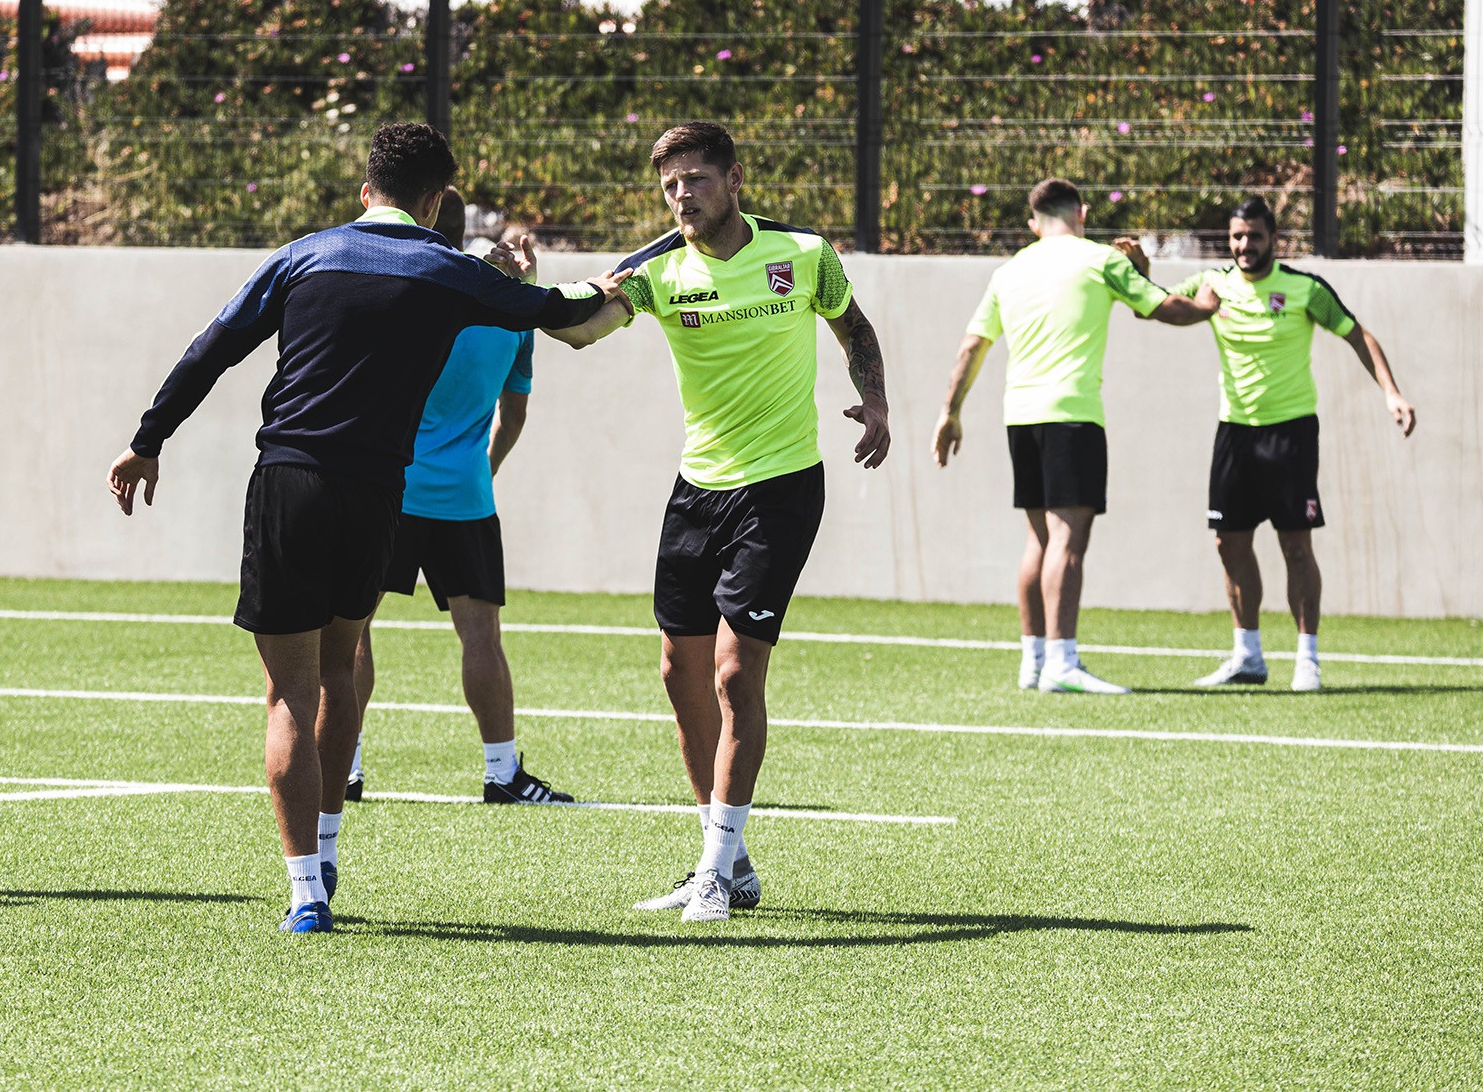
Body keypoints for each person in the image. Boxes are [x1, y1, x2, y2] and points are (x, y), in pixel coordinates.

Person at [105, 124, 627, 934]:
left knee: (288, 690)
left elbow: (212, 348)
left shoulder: (303, 256)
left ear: (364, 190)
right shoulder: (452, 270)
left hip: (292, 483)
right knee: (339, 670)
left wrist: (148, 440)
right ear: (435, 202)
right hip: (379, 493)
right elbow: (556, 310)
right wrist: (606, 286)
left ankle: (305, 891)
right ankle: (327, 850)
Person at [525, 120, 890, 924]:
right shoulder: (657, 271)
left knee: (734, 673)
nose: (681, 196)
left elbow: (854, 326)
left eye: (694, 179)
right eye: (669, 186)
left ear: (735, 179)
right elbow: (581, 331)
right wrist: (531, 294)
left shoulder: (804, 253)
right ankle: (729, 860)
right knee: (677, 669)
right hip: (696, 490)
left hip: (781, 486)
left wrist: (877, 401)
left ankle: (714, 874)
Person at [930, 177, 1218, 695]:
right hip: (1072, 416)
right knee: (1067, 541)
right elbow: (1162, 307)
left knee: (1039, 539)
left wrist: (950, 412)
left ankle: (1034, 661)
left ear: (1032, 223)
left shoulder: (1009, 271)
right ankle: (1062, 662)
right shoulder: (1101, 260)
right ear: (1082, 213)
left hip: (1020, 417)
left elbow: (971, 346)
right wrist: (1206, 307)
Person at [349, 199, 573, 806]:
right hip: (465, 496)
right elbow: (514, 413)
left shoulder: (407, 297)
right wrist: (484, 469)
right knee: (481, 636)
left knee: (351, 630)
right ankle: (502, 773)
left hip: (390, 488)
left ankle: (345, 767)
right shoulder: (512, 312)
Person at [1172, 198, 1415, 691]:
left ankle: (1307, 660)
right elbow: (1161, 307)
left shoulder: (1305, 289)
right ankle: (1248, 656)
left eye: (1254, 236)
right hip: (1234, 434)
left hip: (1291, 435)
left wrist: (1391, 392)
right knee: (1228, 543)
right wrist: (1141, 274)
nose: (1244, 245)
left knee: (1296, 547)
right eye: (1237, 236)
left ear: (1273, 239)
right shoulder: (1213, 283)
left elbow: (1358, 335)